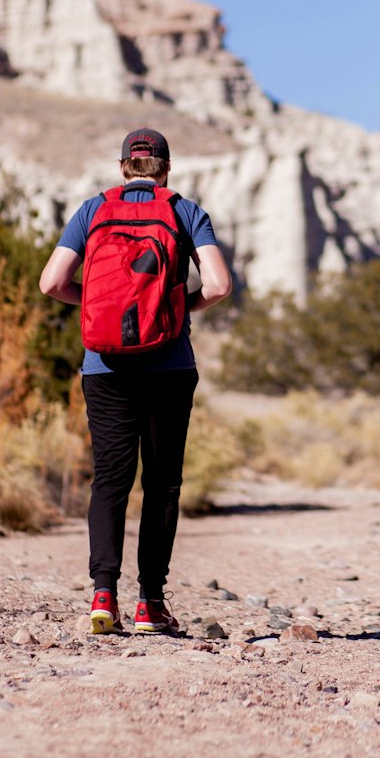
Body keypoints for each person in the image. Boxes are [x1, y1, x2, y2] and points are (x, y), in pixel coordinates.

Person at [39, 127, 232, 635]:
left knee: (110, 480)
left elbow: (51, 282)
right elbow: (218, 285)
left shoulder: (92, 211)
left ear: (124, 166)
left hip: (104, 367)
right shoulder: (185, 212)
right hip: (169, 365)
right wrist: (175, 309)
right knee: (162, 483)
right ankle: (150, 602)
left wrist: (100, 307)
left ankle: (104, 595)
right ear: (166, 167)